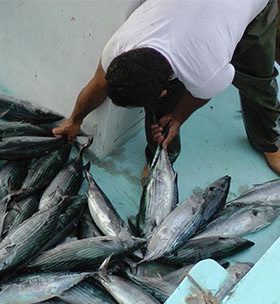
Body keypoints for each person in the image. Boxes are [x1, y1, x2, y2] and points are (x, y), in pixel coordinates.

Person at [51, 0, 280, 178]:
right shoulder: (120, 45)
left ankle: (269, 141)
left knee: (259, 80)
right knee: (161, 106)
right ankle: (161, 161)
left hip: (255, 7)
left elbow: (201, 94)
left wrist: (177, 117)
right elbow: (98, 85)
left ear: (163, 90)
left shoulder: (208, 72)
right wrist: (75, 120)